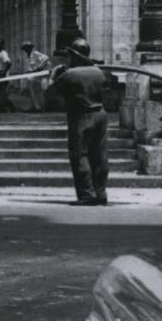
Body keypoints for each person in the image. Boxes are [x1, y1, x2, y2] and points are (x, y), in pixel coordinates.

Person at [50, 38, 110, 206]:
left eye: (69, 56)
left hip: (82, 116)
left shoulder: (70, 74)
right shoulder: (98, 72)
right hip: (100, 114)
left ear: (75, 57)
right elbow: (107, 87)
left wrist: (54, 75)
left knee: (80, 155)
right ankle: (101, 192)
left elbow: (50, 93)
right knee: (99, 155)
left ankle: (87, 194)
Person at [21, 41, 51, 112]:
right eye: (25, 48)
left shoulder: (35, 54)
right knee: (32, 90)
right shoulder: (27, 57)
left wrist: (39, 68)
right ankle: (35, 107)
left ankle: (40, 107)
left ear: (30, 48)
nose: (26, 50)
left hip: (42, 75)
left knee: (38, 91)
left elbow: (46, 58)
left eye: (27, 48)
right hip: (34, 76)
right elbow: (30, 68)